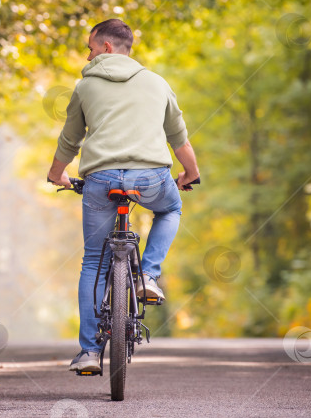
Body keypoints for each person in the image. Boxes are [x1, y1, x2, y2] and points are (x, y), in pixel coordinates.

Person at [46, 19, 200, 373]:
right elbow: (180, 140)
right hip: (152, 177)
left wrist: (57, 175)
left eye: (89, 47)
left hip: (100, 178)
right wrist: (190, 173)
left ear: (106, 48)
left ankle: (88, 352)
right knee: (171, 209)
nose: (87, 55)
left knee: (92, 263)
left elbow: (69, 140)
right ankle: (148, 275)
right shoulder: (157, 83)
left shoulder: (85, 87)